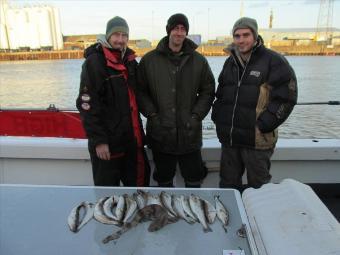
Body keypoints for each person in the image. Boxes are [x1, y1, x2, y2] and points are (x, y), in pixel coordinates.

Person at [212, 17, 297, 190]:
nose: (241, 40)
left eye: (246, 35)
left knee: (259, 187)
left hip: (257, 139)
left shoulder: (274, 60)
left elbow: (287, 97)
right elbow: (221, 94)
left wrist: (264, 125)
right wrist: (218, 117)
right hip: (230, 138)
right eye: (237, 36)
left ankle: (259, 217)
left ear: (255, 35)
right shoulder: (230, 62)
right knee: (228, 185)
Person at [137, 13, 215, 188]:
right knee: (163, 180)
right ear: (168, 31)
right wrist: (152, 115)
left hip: (190, 134)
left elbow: (208, 90)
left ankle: (193, 213)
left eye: (183, 29)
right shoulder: (149, 60)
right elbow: (140, 91)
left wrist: (196, 116)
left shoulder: (199, 61)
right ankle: (165, 214)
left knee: (194, 179)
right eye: (175, 28)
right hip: (160, 134)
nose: (179, 33)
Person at [76, 16, 150, 186]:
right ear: (108, 36)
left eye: (124, 36)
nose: (120, 40)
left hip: (131, 141)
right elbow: (87, 105)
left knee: (139, 188)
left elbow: (139, 96)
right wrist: (99, 141)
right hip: (108, 145)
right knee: (108, 196)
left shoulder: (130, 62)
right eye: (116, 35)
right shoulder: (94, 63)